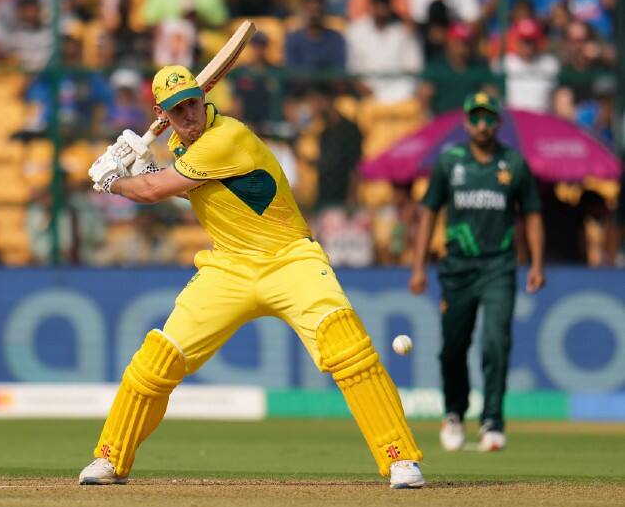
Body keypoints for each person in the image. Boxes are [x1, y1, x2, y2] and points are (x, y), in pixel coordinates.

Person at [82, 66, 425, 489]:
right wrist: (146, 165)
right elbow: (176, 188)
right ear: (161, 112)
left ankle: (400, 459)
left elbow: (154, 193)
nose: (189, 115)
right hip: (228, 267)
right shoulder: (179, 144)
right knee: (156, 362)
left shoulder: (229, 137)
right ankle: (109, 458)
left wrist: (115, 180)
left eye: (193, 103)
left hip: (289, 259)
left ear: (203, 97)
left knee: (347, 348)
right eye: (177, 109)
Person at [408, 92, 545, 453]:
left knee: (496, 342)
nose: (482, 125)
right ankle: (454, 413)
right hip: (456, 269)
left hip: (499, 265)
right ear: (466, 122)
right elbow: (428, 213)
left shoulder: (513, 163)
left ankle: (492, 421)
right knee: (453, 347)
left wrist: (537, 263)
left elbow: (531, 213)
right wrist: (419, 266)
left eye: (488, 118)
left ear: (497, 122)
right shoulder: (449, 162)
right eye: (476, 118)